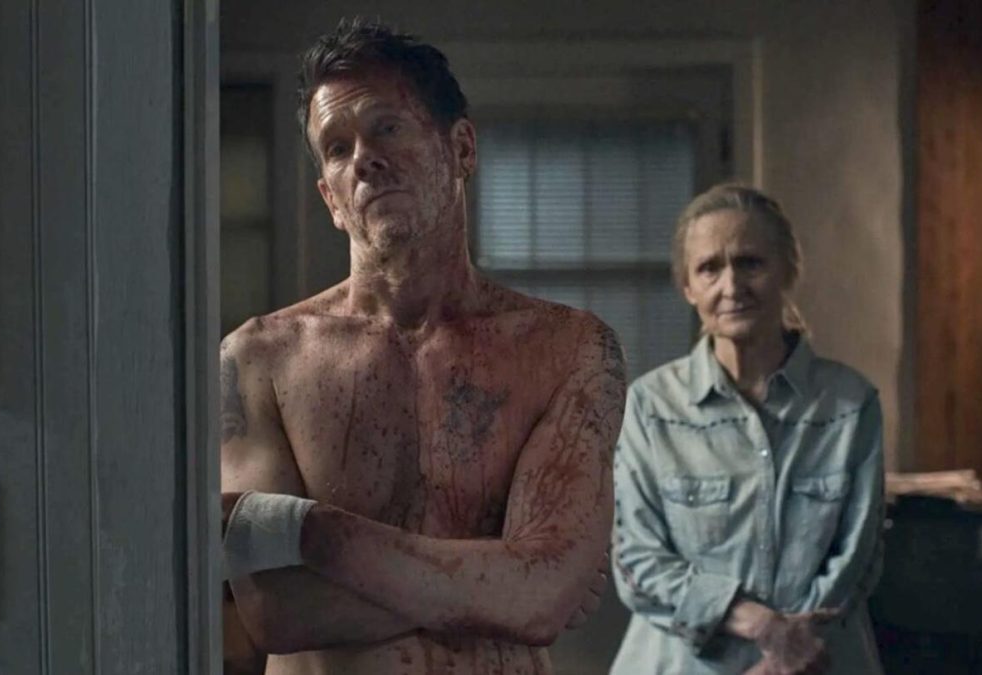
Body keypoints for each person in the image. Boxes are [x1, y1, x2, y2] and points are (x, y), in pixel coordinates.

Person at [218, 19, 625, 675]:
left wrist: (315, 533)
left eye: (387, 127)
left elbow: (541, 597)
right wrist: (502, 585)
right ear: (330, 199)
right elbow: (278, 611)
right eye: (337, 148)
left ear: (461, 148)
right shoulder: (257, 359)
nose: (363, 159)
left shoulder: (569, 349)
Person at [609, 183, 885, 675]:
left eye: (750, 263)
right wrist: (763, 626)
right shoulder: (649, 407)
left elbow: (858, 559)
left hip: (815, 663)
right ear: (688, 287)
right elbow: (635, 561)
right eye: (709, 268)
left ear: (788, 271)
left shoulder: (850, 405)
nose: (731, 285)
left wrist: (789, 652)